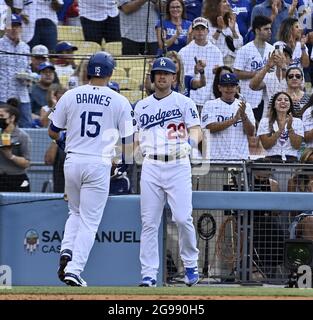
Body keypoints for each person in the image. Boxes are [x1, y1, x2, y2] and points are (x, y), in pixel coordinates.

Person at [48, 51, 134, 286]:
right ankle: (74, 270)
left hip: (73, 161)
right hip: (98, 162)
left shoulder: (70, 94)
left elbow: (53, 132)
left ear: (89, 70)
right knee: (89, 221)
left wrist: (64, 143)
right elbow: (129, 141)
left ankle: (66, 252)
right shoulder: (119, 100)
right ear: (110, 72)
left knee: (74, 213)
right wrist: (124, 164)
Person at [134, 57, 202, 287]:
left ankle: (191, 265)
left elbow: (196, 131)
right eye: (158, 72)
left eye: (166, 73)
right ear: (152, 77)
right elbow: (134, 139)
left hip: (178, 164)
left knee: (183, 218)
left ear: (174, 77)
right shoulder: (141, 106)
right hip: (151, 165)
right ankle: (148, 274)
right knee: (149, 223)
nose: (162, 76)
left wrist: (190, 145)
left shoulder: (184, 102)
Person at [201, 73, 255, 161]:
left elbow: (251, 132)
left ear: (237, 88)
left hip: (240, 158)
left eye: (232, 86)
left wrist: (244, 116)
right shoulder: (209, 104)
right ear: (219, 88)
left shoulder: (245, 106)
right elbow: (209, 128)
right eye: (225, 85)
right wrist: (234, 120)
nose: (229, 89)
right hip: (217, 158)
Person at [257, 91, 304, 162]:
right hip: (271, 159)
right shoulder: (265, 121)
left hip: (291, 159)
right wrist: (280, 130)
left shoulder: (297, 121)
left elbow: (296, 146)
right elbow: (266, 145)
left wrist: (290, 128)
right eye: (279, 100)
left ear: (290, 105)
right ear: (274, 105)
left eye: (286, 100)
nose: (283, 102)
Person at [0, 104, 31, 192]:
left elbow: (26, 163)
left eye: (2, 116)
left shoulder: (22, 136)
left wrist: (10, 156)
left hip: (17, 179)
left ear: (12, 118)